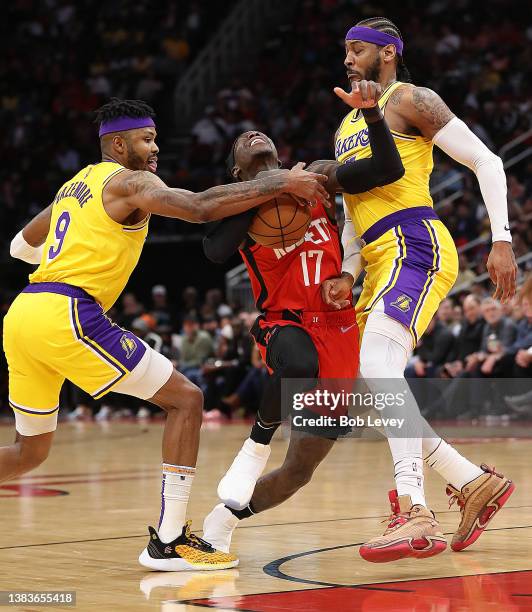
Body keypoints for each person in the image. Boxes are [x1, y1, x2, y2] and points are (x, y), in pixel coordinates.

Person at [3, 97, 330, 572]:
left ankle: (172, 539)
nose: (155, 148)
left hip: (23, 314)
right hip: (68, 312)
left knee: (29, 450)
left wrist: (68, 246)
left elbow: (19, 247)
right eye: (147, 139)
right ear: (118, 144)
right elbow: (198, 208)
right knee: (187, 399)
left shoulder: (75, 187)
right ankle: (170, 540)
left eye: (155, 138)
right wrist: (280, 180)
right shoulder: (132, 181)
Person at [321, 18, 517, 562]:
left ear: (387, 54)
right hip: (378, 255)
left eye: (356, 49)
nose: (346, 58)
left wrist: (502, 240)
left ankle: (415, 509)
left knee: (381, 369)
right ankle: (471, 480)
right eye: (344, 50)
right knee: (376, 381)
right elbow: (351, 214)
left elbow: (488, 161)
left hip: (415, 241)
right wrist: (347, 270)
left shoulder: (411, 98)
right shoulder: (345, 126)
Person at [200, 81, 405, 553]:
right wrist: (260, 190)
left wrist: (373, 115)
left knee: (299, 473)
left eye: (259, 132)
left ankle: (221, 522)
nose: (253, 134)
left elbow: (387, 168)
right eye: (242, 140)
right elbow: (214, 251)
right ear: (237, 169)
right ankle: (254, 448)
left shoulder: (315, 176)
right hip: (285, 321)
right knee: (296, 365)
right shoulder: (240, 204)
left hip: (338, 329)